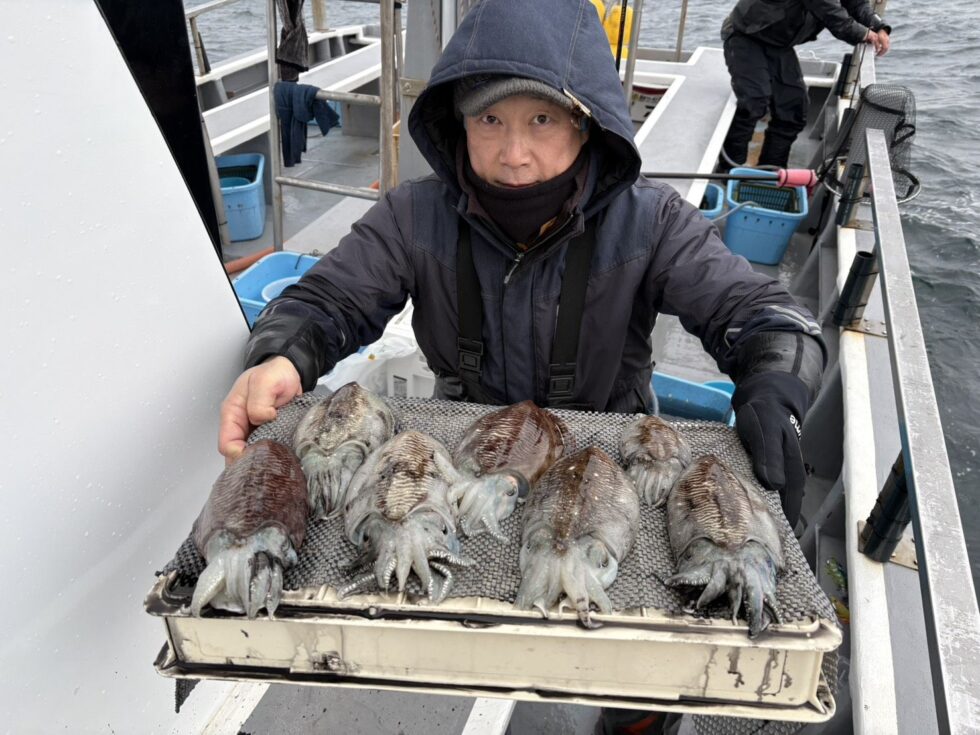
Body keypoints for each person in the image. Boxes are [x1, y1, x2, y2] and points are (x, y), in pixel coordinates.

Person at [219, 1, 824, 729]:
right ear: (458, 126)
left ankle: (632, 716)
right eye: (490, 121)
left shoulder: (652, 219)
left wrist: (773, 381)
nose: (514, 154)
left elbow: (765, 313)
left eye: (542, 121)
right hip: (464, 457)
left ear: (586, 123)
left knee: (636, 665)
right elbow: (328, 296)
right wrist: (282, 351)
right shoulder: (414, 215)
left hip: (609, 450)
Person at [720, 0, 892, 168]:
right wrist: (865, 34)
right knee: (754, 102)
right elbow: (833, 16)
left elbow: (857, 4)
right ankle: (730, 170)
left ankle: (770, 171)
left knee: (794, 110)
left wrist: (879, 27)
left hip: (778, 43)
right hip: (745, 35)